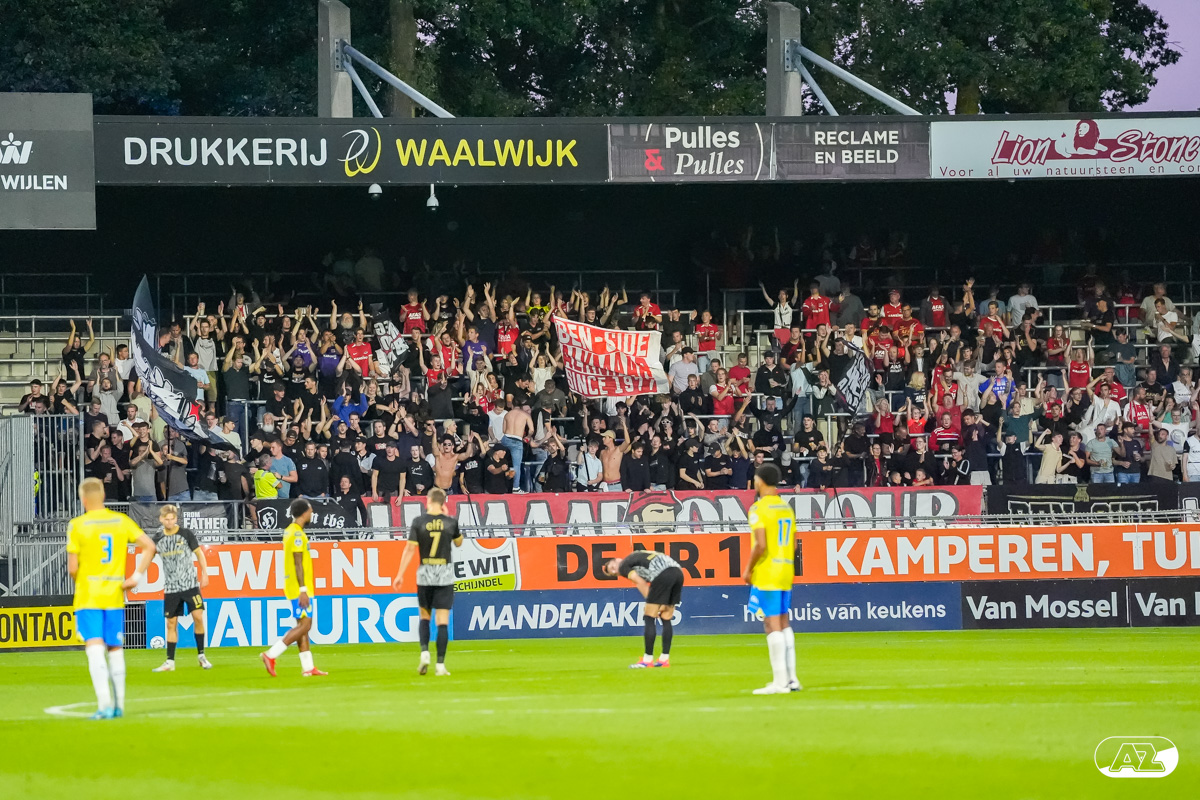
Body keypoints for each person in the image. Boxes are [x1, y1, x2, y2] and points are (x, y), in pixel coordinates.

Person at [66, 478, 157, 719]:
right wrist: (135, 577)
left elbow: (72, 568)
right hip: (115, 594)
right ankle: (119, 706)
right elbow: (149, 546)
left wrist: (84, 579)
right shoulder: (120, 521)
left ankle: (104, 705)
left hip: (89, 596)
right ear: (104, 496)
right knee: (115, 648)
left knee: (94, 646)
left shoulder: (77, 525)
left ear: (83, 499)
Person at [742, 463, 800, 695]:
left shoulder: (759, 508)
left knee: (771, 623)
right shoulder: (785, 507)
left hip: (769, 570)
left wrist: (748, 570)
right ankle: (792, 679)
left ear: (759, 481)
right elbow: (794, 545)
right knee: (784, 622)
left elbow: (761, 544)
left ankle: (780, 682)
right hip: (786, 568)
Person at [392, 488, 463, 676]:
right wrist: (448, 517)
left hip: (425, 573)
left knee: (425, 616)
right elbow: (459, 542)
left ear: (429, 500)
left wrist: (400, 574)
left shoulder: (419, 522)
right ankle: (440, 665)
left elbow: (409, 549)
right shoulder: (450, 522)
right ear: (443, 502)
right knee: (442, 621)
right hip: (444, 574)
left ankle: (424, 652)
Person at [260, 499, 327, 677]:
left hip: (293, 585)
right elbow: (298, 562)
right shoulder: (297, 534)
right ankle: (271, 654)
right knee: (306, 625)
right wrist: (303, 590)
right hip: (299, 588)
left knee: (302, 626)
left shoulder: (290, 530)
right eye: (310, 511)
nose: (312, 514)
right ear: (304, 513)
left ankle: (308, 667)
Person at [150, 505, 213, 672]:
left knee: (198, 617)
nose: (169, 522)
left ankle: (201, 656)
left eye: (172, 519)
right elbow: (148, 554)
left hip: (190, 585)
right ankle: (170, 662)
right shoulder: (158, 538)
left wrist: (205, 573)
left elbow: (199, 553)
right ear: (161, 519)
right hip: (171, 587)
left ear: (176, 519)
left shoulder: (186, 534)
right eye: (166, 519)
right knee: (171, 623)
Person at [603, 550, 685, 669]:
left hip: (663, 574)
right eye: (614, 574)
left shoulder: (624, 565)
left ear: (617, 560)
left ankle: (647, 660)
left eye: (612, 567)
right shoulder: (637, 555)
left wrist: (651, 602)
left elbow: (639, 582)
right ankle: (664, 659)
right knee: (666, 617)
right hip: (678, 572)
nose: (616, 571)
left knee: (649, 616)